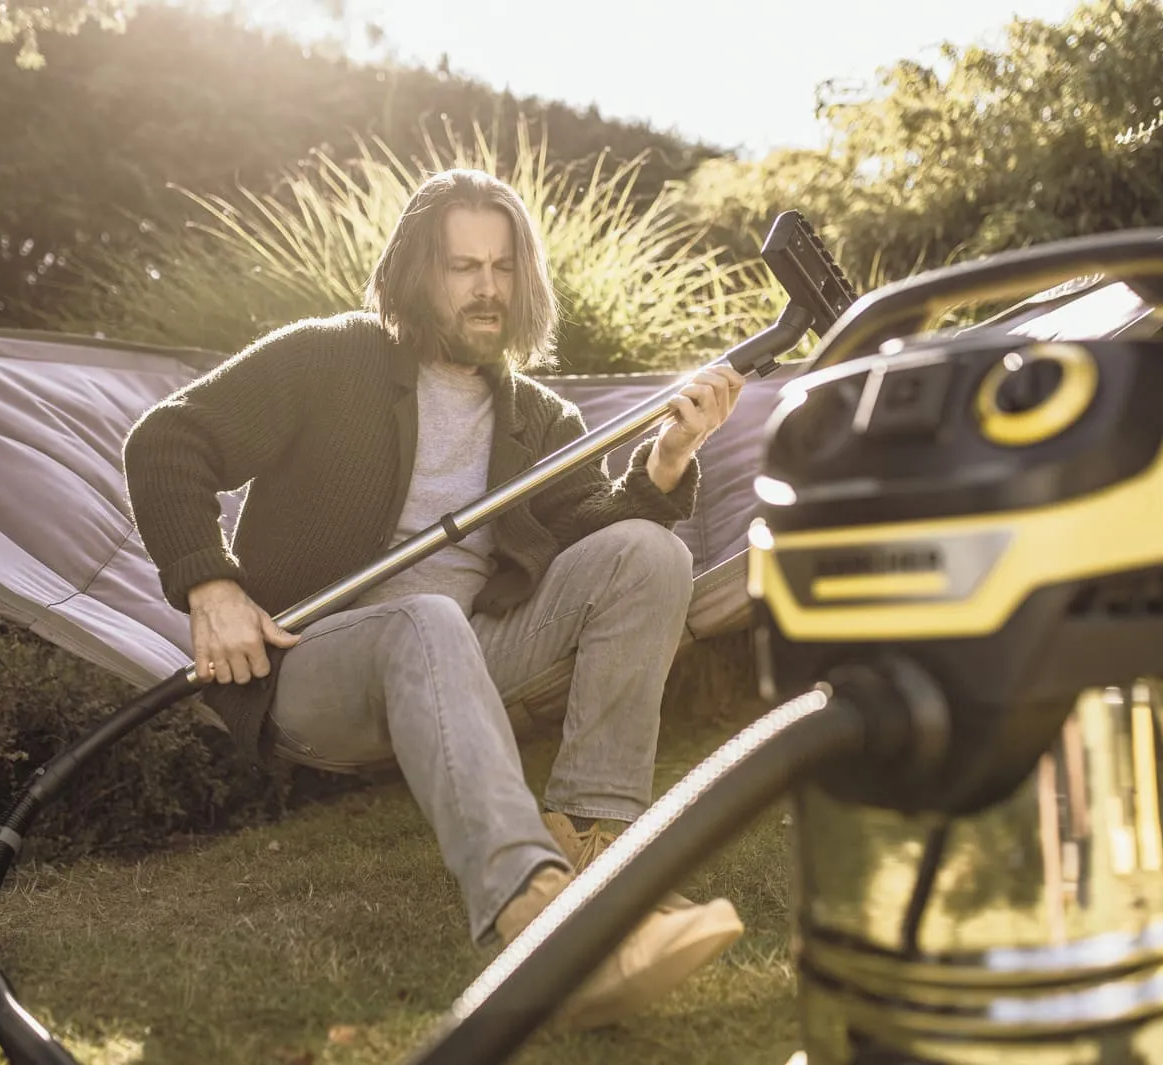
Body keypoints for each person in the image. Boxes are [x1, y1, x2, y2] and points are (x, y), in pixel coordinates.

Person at [122, 167, 748, 1029]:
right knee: (425, 616)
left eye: (503, 267)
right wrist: (211, 582)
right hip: (317, 667)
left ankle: (595, 850)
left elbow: (595, 533)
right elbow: (166, 441)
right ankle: (534, 919)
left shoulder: (540, 419)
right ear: (419, 271)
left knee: (650, 551)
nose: (488, 287)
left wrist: (668, 461)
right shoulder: (328, 358)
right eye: (463, 267)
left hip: (468, 659)